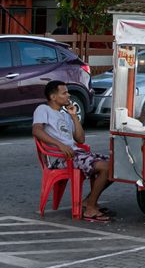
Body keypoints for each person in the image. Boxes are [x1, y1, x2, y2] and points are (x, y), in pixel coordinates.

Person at [32, 81, 113, 222]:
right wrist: (60, 145)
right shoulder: (43, 109)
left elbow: (80, 139)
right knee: (105, 167)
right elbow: (36, 130)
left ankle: (88, 201)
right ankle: (90, 209)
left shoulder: (65, 115)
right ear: (53, 97)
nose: (68, 95)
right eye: (64, 93)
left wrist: (74, 116)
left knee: (114, 165)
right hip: (60, 158)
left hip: (75, 154)